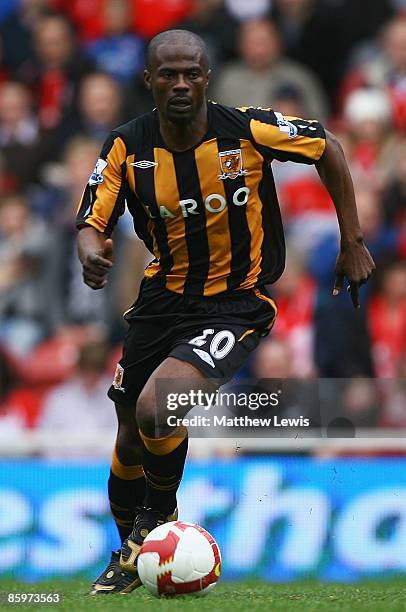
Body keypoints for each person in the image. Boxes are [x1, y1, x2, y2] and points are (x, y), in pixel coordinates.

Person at [76, 29, 375, 595]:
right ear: (149, 81)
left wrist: (352, 240)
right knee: (130, 434)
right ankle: (131, 556)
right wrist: (93, 255)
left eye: (192, 73)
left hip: (237, 302)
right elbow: (92, 220)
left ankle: (156, 524)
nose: (181, 84)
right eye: (169, 75)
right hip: (161, 300)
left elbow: (328, 147)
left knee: (158, 407)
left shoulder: (247, 129)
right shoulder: (125, 146)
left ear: (207, 78)